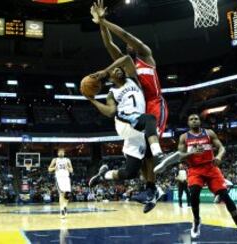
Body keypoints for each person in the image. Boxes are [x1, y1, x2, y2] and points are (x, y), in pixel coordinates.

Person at [90, 0, 169, 203]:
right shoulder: (127, 69)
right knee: (140, 156)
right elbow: (109, 44)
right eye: (127, 46)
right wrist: (100, 23)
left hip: (155, 103)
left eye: (130, 44)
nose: (128, 44)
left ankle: (155, 178)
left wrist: (105, 21)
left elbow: (124, 35)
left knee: (150, 151)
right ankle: (150, 189)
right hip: (140, 111)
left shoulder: (146, 55)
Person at [85, 54, 179, 213]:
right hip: (124, 122)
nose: (117, 70)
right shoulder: (112, 92)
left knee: (131, 172)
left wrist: (105, 70)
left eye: (118, 68)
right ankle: (159, 155)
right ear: (111, 79)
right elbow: (110, 112)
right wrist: (92, 100)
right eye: (114, 71)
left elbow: (128, 59)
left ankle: (104, 176)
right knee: (150, 120)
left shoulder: (133, 79)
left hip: (138, 128)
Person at [175, 114, 237, 242]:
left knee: (226, 198)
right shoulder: (184, 137)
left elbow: (222, 148)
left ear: (200, 121)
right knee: (194, 194)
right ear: (188, 123)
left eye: (196, 119)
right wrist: (192, 152)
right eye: (191, 119)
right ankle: (196, 221)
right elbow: (180, 157)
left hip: (211, 168)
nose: (194, 121)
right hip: (195, 170)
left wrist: (219, 157)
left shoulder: (209, 133)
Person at [48, 148, 73, 219]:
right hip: (59, 178)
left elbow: (71, 170)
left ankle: (65, 206)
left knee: (67, 194)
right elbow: (49, 169)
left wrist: (67, 167)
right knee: (61, 194)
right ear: (58, 153)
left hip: (66, 178)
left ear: (64, 153)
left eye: (62, 152)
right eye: (60, 152)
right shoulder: (55, 160)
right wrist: (54, 168)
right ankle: (62, 210)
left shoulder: (67, 160)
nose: (61, 153)